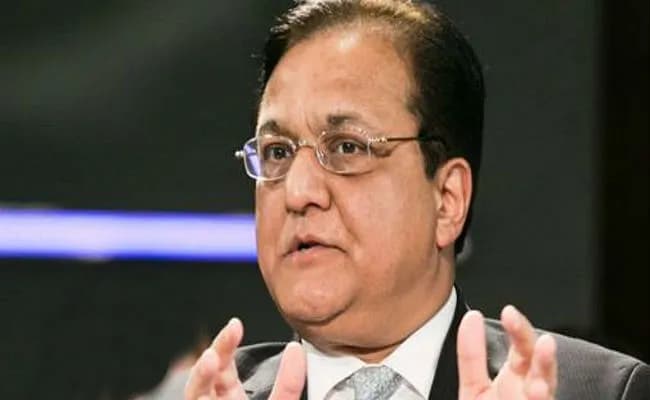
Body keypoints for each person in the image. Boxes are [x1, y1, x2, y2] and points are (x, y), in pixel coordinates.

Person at [184, 1, 649, 399]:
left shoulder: (602, 392)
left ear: (447, 199)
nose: (298, 191)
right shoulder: (210, 393)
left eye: (347, 147)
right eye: (278, 153)